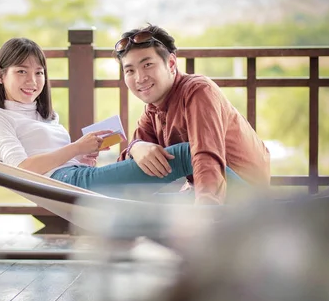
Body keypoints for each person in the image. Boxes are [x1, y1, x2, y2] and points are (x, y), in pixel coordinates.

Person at [0, 37, 244, 200]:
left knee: (179, 204)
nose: (33, 81)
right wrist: (76, 148)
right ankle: (262, 206)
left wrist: (83, 157)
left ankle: (255, 213)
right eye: (22, 72)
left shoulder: (45, 116)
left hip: (79, 176)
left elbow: (58, 157)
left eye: (39, 73)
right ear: (1, 76)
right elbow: (20, 170)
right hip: (66, 184)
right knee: (186, 154)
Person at [113, 24, 271, 205]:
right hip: (203, 192)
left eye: (148, 65)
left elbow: (207, 155)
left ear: (171, 63)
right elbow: (129, 171)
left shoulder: (197, 91)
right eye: (130, 70)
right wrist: (135, 146)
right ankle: (81, 187)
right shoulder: (152, 110)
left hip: (242, 196)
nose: (140, 78)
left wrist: (204, 212)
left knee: (139, 213)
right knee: (133, 208)